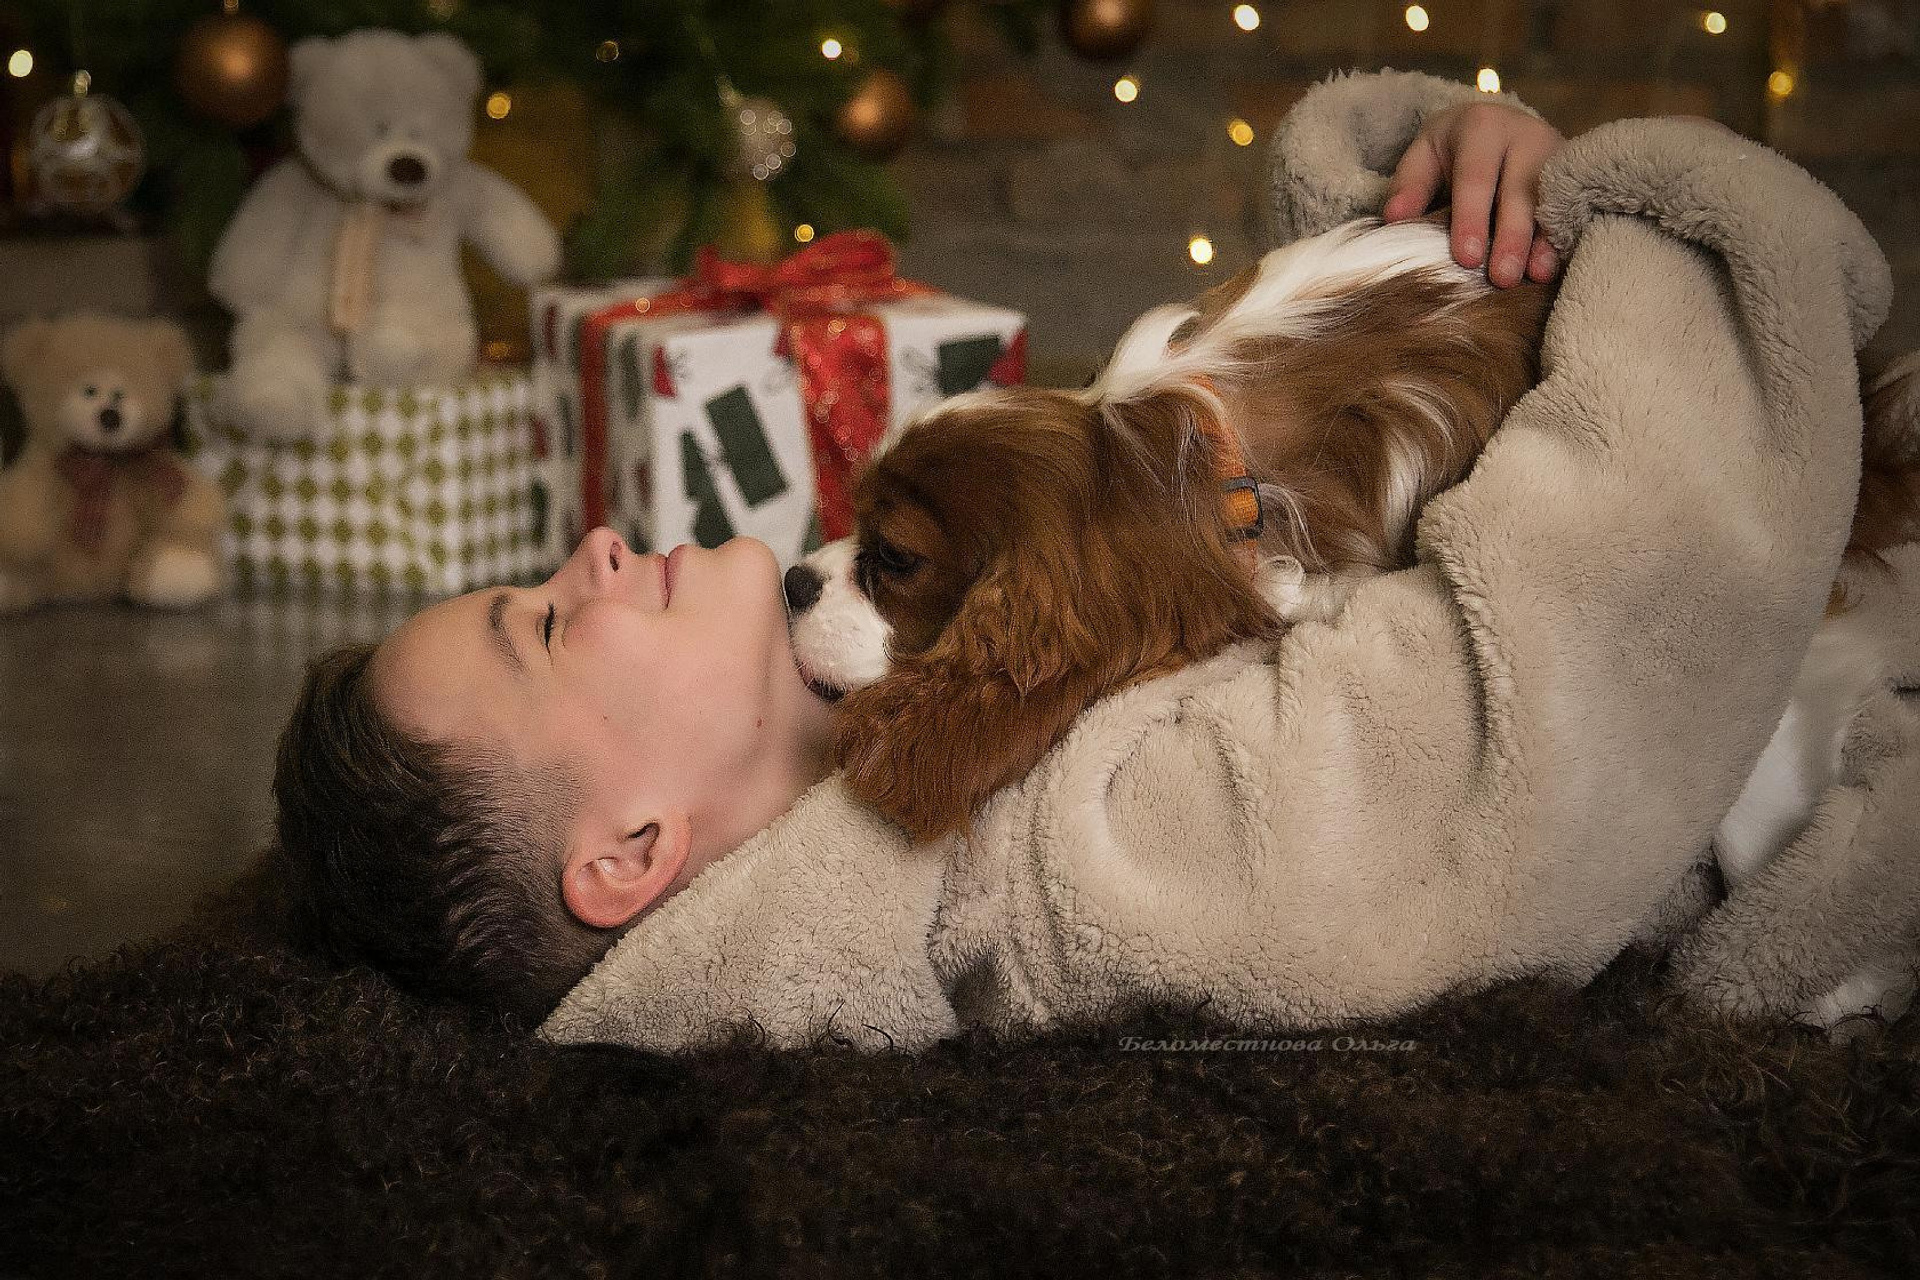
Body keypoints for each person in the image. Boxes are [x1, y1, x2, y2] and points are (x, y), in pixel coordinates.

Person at [272, 96, 1571, 1027]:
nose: (593, 548)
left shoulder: (938, 614)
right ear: (627, 854)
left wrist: (1444, 159)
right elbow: (1488, 728)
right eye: (548, 626)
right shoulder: (1030, 877)